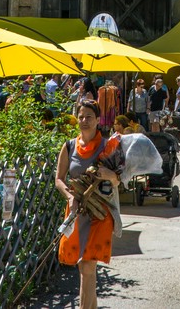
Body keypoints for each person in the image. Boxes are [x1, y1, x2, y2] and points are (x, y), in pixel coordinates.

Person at [56, 100, 124, 309]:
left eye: (89, 117)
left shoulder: (109, 146)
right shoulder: (69, 146)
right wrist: (69, 197)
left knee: (87, 264)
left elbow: (120, 180)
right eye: (81, 116)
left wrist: (111, 175)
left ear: (97, 120)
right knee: (83, 266)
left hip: (100, 212)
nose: (84, 120)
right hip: (77, 211)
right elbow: (59, 179)